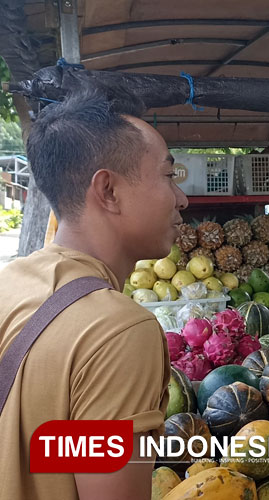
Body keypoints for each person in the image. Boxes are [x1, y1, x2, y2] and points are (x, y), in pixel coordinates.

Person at [0, 88, 189, 500]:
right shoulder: (120, 332)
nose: (182, 199)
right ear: (108, 191)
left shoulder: (9, 283)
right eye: (169, 176)